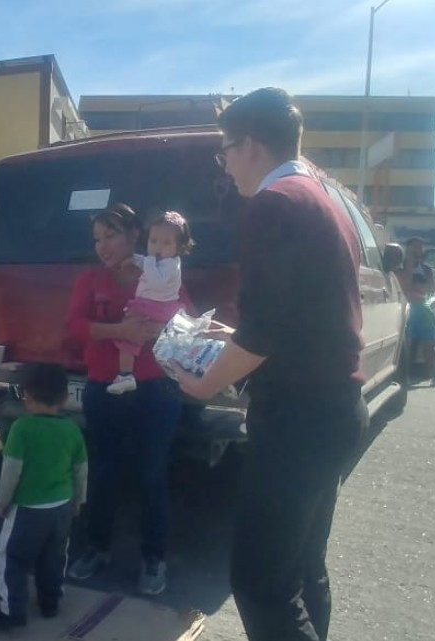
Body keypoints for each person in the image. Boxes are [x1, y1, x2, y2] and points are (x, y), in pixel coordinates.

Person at [170, 87, 369, 641]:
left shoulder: (274, 202)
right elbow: (291, 321)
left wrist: (203, 381)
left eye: (225, 150)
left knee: (259, 581)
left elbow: (263, 334)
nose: (225, 164)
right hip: (335, 410)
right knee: (302, 569)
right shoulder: (326, 199)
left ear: (250, 144)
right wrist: (235, 337)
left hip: (296, 420)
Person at [64, 202, 187, 596]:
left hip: (156, 387)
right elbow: (75, 326)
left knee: (152, 474)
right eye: (97, 238)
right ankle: (97, 548)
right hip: (105, 386)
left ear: (136, 235)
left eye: (111, 235)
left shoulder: (162, 273)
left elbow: (187, 320)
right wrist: (119, 329)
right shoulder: (90, 278)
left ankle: (154, 558)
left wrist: (156, 329)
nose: (103, 245)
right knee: (105, 472)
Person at [0, 363, 88, 630]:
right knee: (54, 557)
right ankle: (50, 602)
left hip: (26, 508)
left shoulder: (21, 428)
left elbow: (11, 470)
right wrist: (79, 500)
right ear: (65, 398)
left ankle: (12, 611)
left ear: (27, 397)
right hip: (62, 508)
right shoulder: (71, 430)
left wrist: (2, 501)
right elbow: (81, 470)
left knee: (13, 557)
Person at [108, 209, 194, 395]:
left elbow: (156, 279)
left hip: (155, 307)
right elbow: (149, 263)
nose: (157, 247)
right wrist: (134, 260)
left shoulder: (172, 265)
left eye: (166, 243)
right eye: (153, 241)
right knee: (133, 337)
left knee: (129, 335)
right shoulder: (161, 261)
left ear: (179, 248)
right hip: (156, 306)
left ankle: (126, 375)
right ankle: (126, 376)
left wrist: (145, 262)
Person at [399, 238, 435, 387]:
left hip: (423, 309)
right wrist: (413, 282)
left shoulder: (426, 269)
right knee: (405, 347)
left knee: (430, 347)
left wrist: (414, 286)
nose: (417, 251)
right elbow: (404, 284)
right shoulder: (400, 267)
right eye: (414, 247)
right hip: (404, 309)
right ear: (406, 249)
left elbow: (428, 287)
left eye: (420, 248)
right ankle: (403, 378)